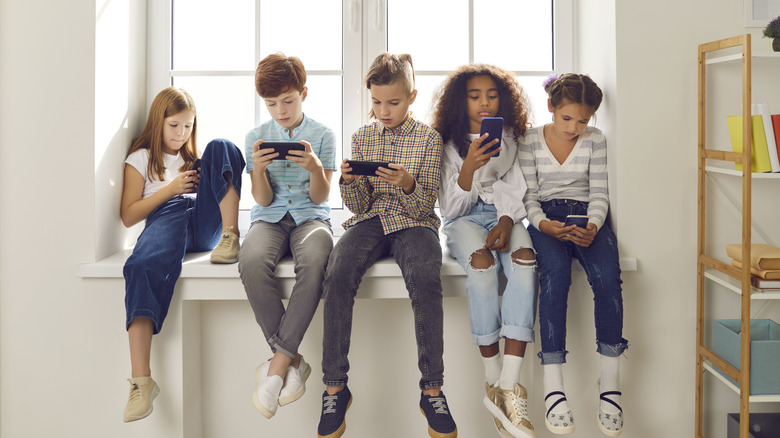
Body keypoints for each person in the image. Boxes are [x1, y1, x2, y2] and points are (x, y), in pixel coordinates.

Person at [316, 53, 457, 438]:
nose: (383, 110)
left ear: (412, 97)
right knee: (338, 273)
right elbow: (360, 206)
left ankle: (432, 390)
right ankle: (334, 388)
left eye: (393, 102)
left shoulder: (429, 139)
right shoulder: (362, 136)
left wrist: (407, 183)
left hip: (415, 222)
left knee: (426, 279)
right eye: (376, 102)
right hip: (371, 219)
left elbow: (425, 204)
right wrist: (349, 181)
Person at [120, 86, 245, 422]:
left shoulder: (195, 159)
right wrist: (171, 189)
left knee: (222, 147)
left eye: (188, 126)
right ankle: (141, 381)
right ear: (158, 122)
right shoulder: (141, 159)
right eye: (174, 125)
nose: (181, 133)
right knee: (141, 265)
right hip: (168, 213)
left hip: (204, 223)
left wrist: (197, 182)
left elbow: (213, 185)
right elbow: (129, 215)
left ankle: (232, 236)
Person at [432, 64, 537, 438]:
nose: (484, 102)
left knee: (525, 261)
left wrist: (507, 221)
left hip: (507, 216)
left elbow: (516, 185)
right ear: (462, 101)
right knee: (482, 266)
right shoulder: (446, 142)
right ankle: (491, 379)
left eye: (492, 94)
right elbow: (451, 208)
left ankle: (509, 385)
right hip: (464, 220)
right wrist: (470, 169)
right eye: (475, 96)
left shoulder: (510, 136)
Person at [519, 73, 627, 436]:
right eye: (567, 118)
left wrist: (594, 224)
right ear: (551, 107)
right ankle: (554, 386)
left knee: (608, 279)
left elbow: (600, 192)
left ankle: (610, 384)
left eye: (583, 120)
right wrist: (542, 224)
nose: (575, 127)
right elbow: (528, 195)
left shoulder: (595, 141)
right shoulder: (530, 140)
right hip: (545, 220)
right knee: (555, 278)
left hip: (586, 219)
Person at [238, 53, 337, 419]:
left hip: (312, 218)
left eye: (288, 101)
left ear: (304, 93)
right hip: (268, 217)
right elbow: (261, 199)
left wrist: (315, 169)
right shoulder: (256, 137)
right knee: (250, 262)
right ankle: (292, 359)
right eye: (271, 103)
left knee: (315, 264)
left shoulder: (324, 135)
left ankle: (278, 366)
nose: (280, 110)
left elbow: (320, 197)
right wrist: (259, 171)